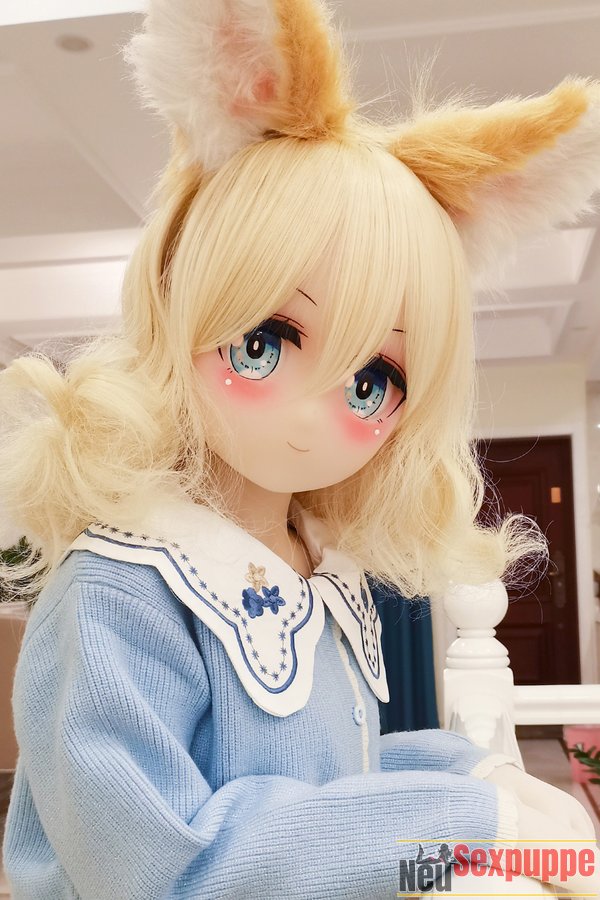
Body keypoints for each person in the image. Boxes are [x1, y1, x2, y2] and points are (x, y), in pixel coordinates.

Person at [1, 1, 600, 897]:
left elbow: (323, 784)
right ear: (179, 298)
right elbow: (164, 867)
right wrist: (466, 821)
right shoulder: (120, 592)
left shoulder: (317, 565)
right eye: (262, 343)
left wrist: (475, 777)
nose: (310, 418)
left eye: (372, 384)